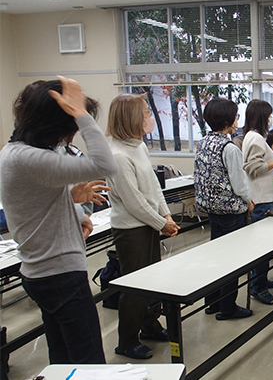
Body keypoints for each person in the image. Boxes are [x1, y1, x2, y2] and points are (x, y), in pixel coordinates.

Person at [0, 77, 118, 364]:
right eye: (71, 129)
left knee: (65, 360)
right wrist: (83, 115)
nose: (72, 137)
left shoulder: (18, 152)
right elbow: (105, 165)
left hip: (45, 272)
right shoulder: (28, 158)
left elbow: (42, 204)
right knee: (89, 363)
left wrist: (74, 206)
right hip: (59, 274)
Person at [106, 93, 180, 360]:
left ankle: (150, 326)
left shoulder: (138, 145)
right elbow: (133, 202)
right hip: (131, 229)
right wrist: (161, 223)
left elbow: (152, 188)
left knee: (152, 281)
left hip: (149, 223)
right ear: (130, 118)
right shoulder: (116, 154)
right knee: (134, 286)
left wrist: (167, 216)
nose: (150, 117)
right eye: (146, 112)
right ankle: (126, 341)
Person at [194, 98, 254, 320]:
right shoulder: (229, 148)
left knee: (216, 257)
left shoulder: (202, 143)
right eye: (236, 117)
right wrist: (249, 201)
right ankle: (228, 307)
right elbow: (239, 184)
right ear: (229, 122)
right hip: (231, 211)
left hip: (211, 209)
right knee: (232, 261)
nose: (237, 121)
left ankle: (212, 303)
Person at [242, 99, 273, 305]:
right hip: (261, 200)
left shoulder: (257, 137)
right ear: (262, 116)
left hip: (266, 198)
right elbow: (252, 167)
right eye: (268, 115)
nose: (271, 118)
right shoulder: (254, 138)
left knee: (265, 244)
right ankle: (258, 287)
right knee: (261, 246)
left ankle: (261, 279)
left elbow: (262, 165)